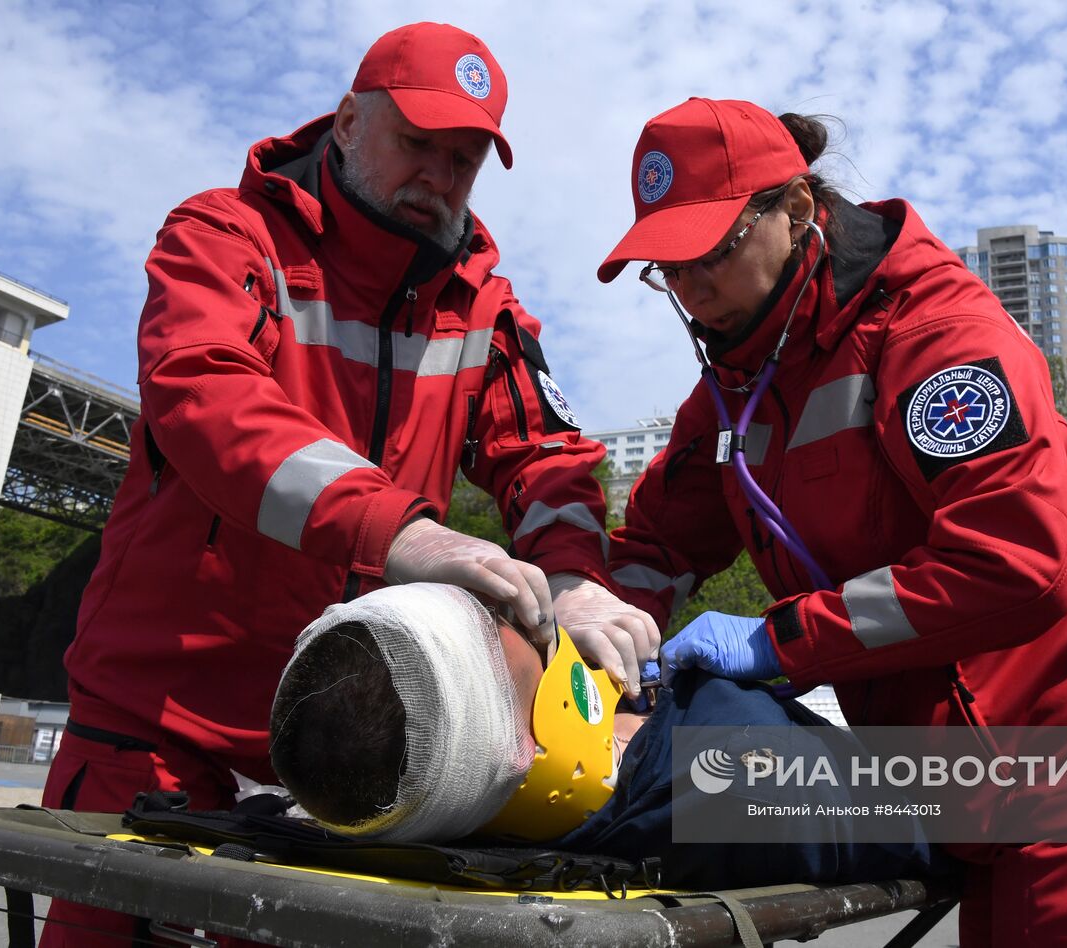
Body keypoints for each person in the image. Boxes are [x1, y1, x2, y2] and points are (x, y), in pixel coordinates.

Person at [40, 23, 656, 945]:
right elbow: (205, 396)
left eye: (465, 160)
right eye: (418, 145)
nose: (439, 179)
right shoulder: (224, 235)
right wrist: (410, 535)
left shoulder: (481, 304)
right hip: (163, 727)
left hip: (353, 753)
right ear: (349, 119)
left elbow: (547, 458)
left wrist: (569, 573)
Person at [596, 97, 1067, 946]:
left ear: (794, 212)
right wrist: (596, 629)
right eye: (665, 269)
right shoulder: (732, 395)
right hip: (976, 769)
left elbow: (1016, 561)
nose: (688, 288)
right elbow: (656, 546)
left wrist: (779, 643)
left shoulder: (934, 334)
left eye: (710, 253)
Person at [269, 582, 937, 889]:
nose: (531, 617)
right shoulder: (737, 767)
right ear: (529, 746)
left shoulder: (431, 814)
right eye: (500, 620)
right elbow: (973, 802)